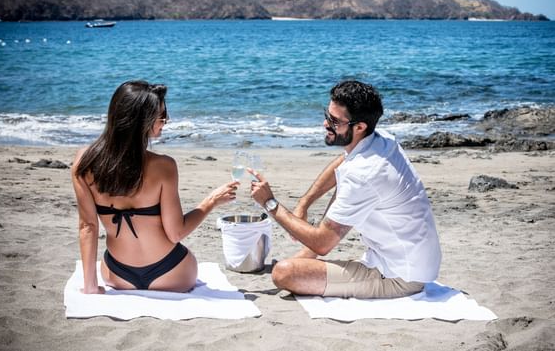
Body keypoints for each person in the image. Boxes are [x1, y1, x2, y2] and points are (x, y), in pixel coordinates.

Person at [249, 80, 441, 299]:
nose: (325, 124)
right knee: (301, 257)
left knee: (284, 273)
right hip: (411, 260)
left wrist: (270, 203)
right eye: (327, 115)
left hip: (400, 277)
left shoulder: (364, 174)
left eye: (334, 121)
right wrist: (304, 203)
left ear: (360, 127)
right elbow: (343, 162)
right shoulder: (381, 140)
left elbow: (322, 244)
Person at [72, 80, 238, 294]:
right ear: (141, 121)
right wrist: (211, 201)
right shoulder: (164, 166)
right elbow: (176, 233)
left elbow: (88, 227)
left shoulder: (84, 162)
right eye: (162, 116)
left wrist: (90, 287)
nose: (166, 121)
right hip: (172, 274)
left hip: (117, 275)